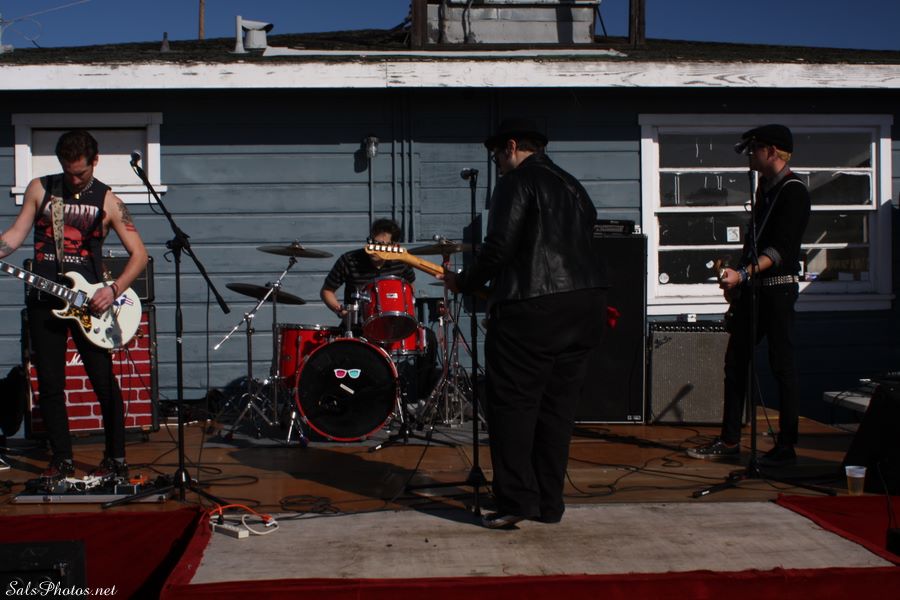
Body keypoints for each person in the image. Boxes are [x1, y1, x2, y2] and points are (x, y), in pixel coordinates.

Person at [443, 118, 607, 529]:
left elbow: (499, 247)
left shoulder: (516, 182)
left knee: (513, 406)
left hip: (532, 307)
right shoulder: (574, 186)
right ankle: (549, 503)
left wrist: (464, 281)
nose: (497, 163)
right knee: (557, 410)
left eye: (497, 155)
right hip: (586, 304)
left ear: (512, 146)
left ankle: (516, 500)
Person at [0, 129, 149, 480]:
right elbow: (15, 236)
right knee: (51, 384)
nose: (74, 179)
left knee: (103, 382)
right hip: (45, 299)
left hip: (90, 304)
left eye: (80, 173)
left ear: (95, 162)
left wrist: (113, 290)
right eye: (68, 172)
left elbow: (139, 255)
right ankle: (62, 459)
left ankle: (116, 458)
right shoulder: (41, 188)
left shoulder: (108, 201)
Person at [687, 124, 810, 467]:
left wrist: (743, 274)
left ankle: (786, 445)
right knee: (736, 362)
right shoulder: (764, 190)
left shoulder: (794, 191)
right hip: (754, 290)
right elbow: (755, 245)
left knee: (782, 365)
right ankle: (730, 440)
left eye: (755, 149)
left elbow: (779, 250)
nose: (750, 156)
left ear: (771, 151)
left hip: (778, 289)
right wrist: (738, 280)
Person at [320, 218, 415, 323]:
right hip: (357, 325)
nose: (373, 248)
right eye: (371, 242)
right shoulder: (349, 260)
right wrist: (340, 311)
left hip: (394, 323)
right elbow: (327, 291)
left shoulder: (402, 262)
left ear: (394, 246)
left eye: (380, 245)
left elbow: (410, 288)